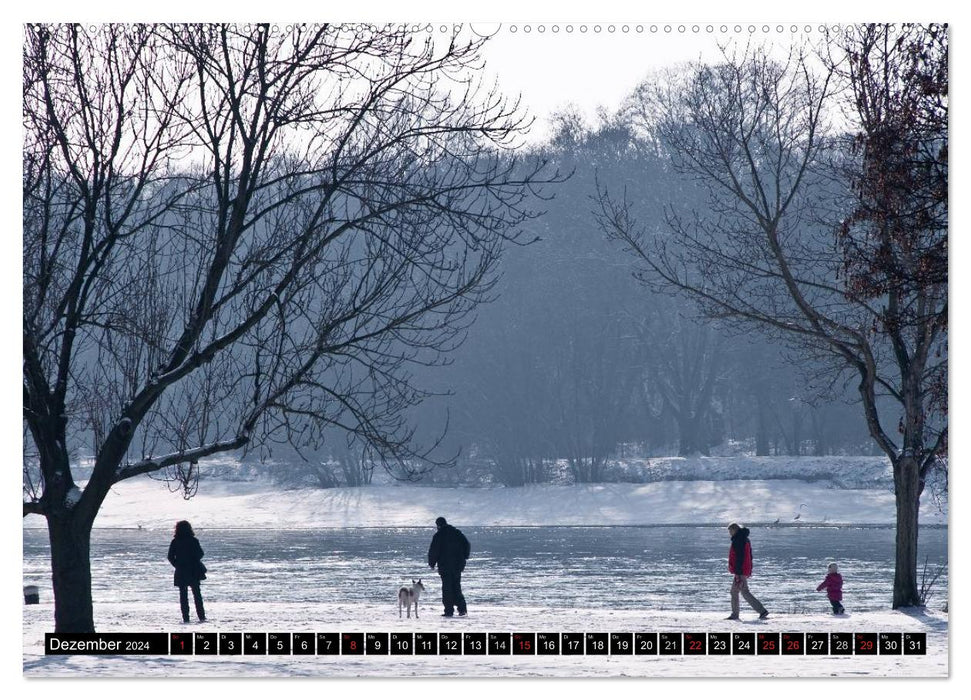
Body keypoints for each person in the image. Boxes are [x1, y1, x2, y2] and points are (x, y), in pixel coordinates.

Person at [427, 516, 471, 617]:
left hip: (445, 566)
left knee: (447, 589)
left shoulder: (438, 536)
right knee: (456, 587)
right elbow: (467, 544)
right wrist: (465, 557)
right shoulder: (457, 533)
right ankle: (462, 609)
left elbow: (434, 551)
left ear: (438, 525)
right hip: (457, 566)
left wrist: (432, 563)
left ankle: (449, 611)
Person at [726, 522, 769, 620]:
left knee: (743, 592)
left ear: (734, 529)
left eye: (730, 530)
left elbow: (739, 558)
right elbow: (749, 556)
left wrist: (737, 573)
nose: (729, 533)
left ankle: (761, 611)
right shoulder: (744, 539)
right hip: (743, 569)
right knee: (736, 592)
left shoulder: (738, 540)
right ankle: (736, 614)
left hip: (740, 571)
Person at [167, 520, 207, 623]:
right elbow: (200, 554)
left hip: (181, 571)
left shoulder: (175, 541)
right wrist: (193, 560)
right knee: (197, 595)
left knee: (183, 596)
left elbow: (170, 557)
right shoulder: (193, 540)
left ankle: (186, 618)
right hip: (194, 570)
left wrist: (177, 565)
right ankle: (201, 617)